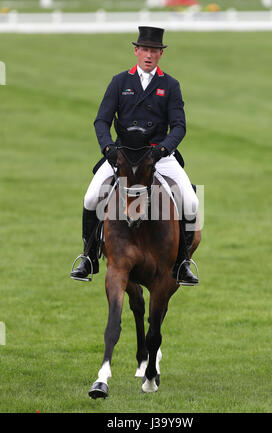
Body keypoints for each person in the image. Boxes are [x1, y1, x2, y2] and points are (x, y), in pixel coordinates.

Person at [71, 26, 199, 285]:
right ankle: (88, 256)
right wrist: (108, 149)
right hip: (123, 155)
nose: (149, 55)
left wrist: (163, 149)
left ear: (160, 54)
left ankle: (183, 262)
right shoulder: (120, 82)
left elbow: (179, 126)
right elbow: (101, 121)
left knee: (193, 202)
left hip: (158, 155)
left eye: (154, 51)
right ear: (136, 51)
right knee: (91, 196)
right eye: (145, 50)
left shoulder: (170, 85)